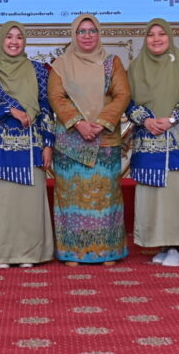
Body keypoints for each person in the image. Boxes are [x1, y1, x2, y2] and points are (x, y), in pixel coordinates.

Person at [48, 14, 131, 266]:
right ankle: (72, 252)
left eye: (92, 31)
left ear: (99, 34)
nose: (87, 36)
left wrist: (101, 123)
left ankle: (108, 251)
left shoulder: (111, 62)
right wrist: (79, 123)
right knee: (71, 199)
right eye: (81, 31)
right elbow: (56, 97)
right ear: (74, 35)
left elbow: (122, 95)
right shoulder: (61, 64)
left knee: (105, 199)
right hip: (71, 143)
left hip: (104, 140)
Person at [0, 21, 55, 268]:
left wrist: (48, 144)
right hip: (0, 149)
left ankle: (29, 254)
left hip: (31, 147)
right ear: (1, 41)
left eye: (19, 37)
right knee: (3, 204)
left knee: (29, 204)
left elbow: (46, 109)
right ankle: (2, 254)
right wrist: (9, 109)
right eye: (9, 37)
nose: (13, 42)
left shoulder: (38, 71)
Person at [127, 18, 179, 267]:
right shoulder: (136, 67)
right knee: (155, 197)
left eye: (161, 34)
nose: (156, 39)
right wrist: (147, 120)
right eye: (151, 35)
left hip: (177, 141)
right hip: (149, 140)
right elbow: (128, 102)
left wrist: (171, 119)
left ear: (169, 37)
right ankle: (162, 245)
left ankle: (176, 247)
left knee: (176, 196)